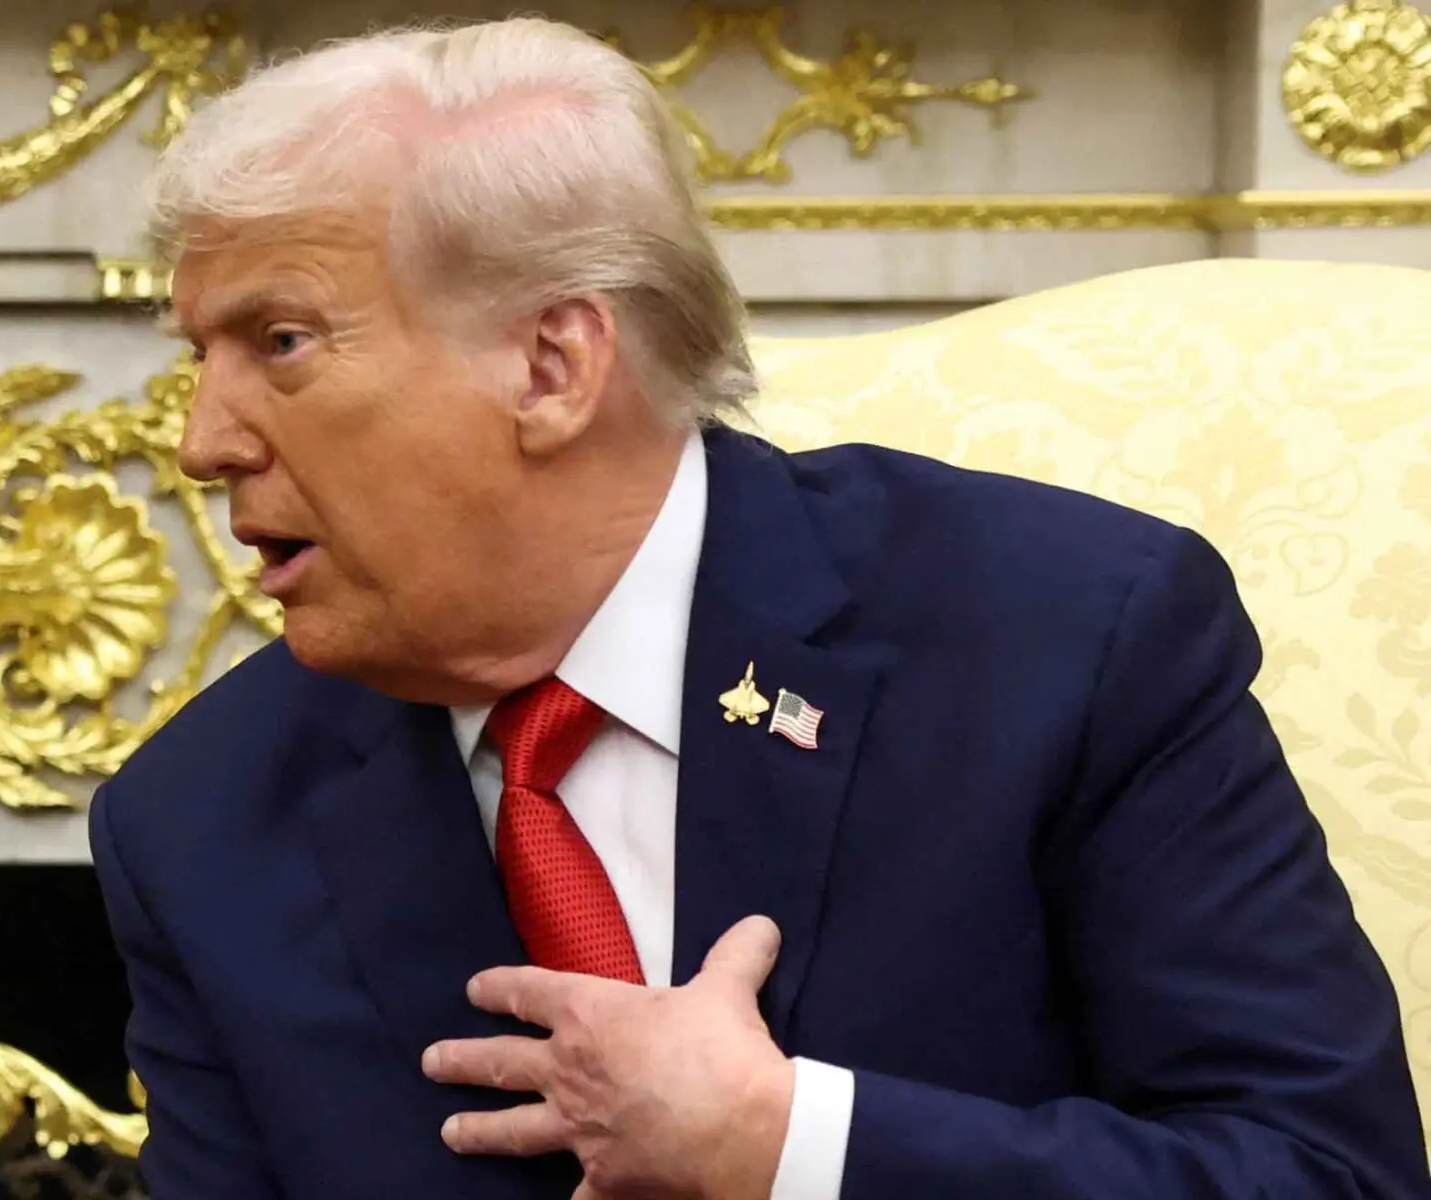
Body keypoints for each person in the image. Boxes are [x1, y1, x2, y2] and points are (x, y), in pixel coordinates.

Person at [87, 16, 1429, 1199]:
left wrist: (795, 1147)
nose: (203, 440)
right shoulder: (198, 821)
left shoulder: (1066, 642)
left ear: (553, 365)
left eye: (280, 344)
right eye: (196, 356)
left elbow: (1324, 1174)